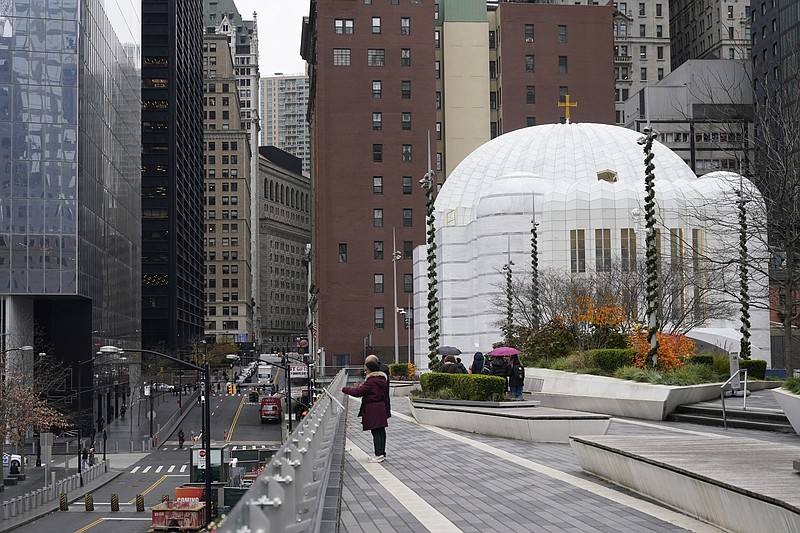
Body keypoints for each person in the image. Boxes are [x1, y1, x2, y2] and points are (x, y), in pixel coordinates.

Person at [342, 359, 388, 463]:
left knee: (376, 432)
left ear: (371, 370)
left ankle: (378, 455)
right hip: (380, 407)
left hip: (373, 408)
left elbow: (358, 392)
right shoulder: (381, 379)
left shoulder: (372, 381)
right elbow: (368, 390)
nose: (365, 372)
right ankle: (382, 453)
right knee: (381, 431)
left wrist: (344, 389)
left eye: (366, 370)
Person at [365, 354, 391, 420]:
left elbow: (370, 389)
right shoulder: (381, 374)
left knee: (378, 428)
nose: (366, 370)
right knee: (379, 428)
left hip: (378, 407)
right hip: (381, 406)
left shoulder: (378, 376)